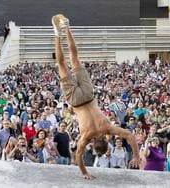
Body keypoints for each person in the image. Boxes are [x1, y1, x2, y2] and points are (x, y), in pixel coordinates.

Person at [52, 14, 139, 179]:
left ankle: (67, 27)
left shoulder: (108, 128)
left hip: (88, 95)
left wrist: (136, 155)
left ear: (106, 140)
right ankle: (57, 33)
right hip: (76, 101)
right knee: (62, 64)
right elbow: (78, 155)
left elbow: (130, 136)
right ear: (93, 144)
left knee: (75, 58)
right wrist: (85, 173)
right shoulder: (86, 136)